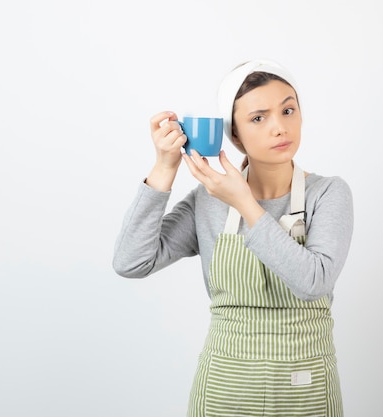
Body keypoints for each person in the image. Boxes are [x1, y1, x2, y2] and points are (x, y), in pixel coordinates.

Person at [113, 59, 354, 417]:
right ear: (235, 135)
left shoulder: (329, 193)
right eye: (259, 118)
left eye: (288, 110)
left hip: (305, 391)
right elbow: (131, 262)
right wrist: (165, 167)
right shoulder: (209, 201)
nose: (279, 127)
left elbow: (312, 282)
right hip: (224, 391)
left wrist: (244, 202)